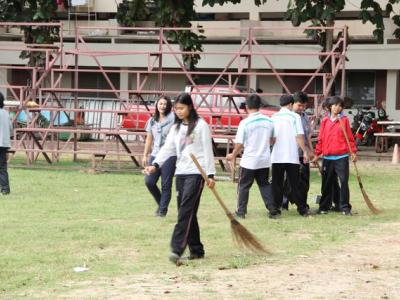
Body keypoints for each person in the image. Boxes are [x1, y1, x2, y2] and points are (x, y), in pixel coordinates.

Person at [144, 92, 216, 263]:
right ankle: (196, 250)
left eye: (181, 108)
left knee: (185, 211)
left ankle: (177, 248)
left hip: (197, 174)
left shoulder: (200, 125)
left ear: (190, 107)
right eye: (176, 109)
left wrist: (210, 175)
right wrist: (155, 165)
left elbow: (207, 150)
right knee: (187, 211)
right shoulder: (176, 128)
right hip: (181, 172)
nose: (178, 111)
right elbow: (168, 149)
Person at [226, 94, 274, 219]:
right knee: (264, 185)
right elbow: (273, 139)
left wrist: (233, 155)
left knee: (243, 186)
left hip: (249, 161)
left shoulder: (245, 123)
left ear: (246, 107)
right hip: (264, 159)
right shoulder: (269, 121)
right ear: (260, 106)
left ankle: (241, 212)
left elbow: (239, 143)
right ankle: (272, 210)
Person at [268, 94, 312, 218]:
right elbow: (299, 136)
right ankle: (302, 209)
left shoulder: (274, 117)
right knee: (295, 184)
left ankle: (275, 209)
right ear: (291, 104)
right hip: (292, 156)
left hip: (277, 156)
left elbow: (272, 138)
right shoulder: (295, 117)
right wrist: (304, 151)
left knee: (277, 184)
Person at [312, 96, 357, 216]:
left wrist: (353, 152)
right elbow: (321, 139)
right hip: (327, 158)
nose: (338, 108)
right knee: (326, 183)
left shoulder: (344, 120)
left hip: (341, 157)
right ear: (329, 107)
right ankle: (324, 207)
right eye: (335, 105)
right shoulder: (325, 121)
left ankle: (345, 207)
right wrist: (317, 154)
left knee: (343, 182)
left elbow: (350, 139)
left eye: (340, 105)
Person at [143, 96, 176, 217]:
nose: (162, 106)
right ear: (156, 105)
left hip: (169, 155)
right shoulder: (152, 120)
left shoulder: (173, 118)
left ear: (168, 106)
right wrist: (145, 154)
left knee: (166, 184)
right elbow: (149, 138)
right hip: (155, 154)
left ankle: (162, 211)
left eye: (164, 104)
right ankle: (161, 203)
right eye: (160, 104)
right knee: (149, 181)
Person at [282, 91, 313, 210]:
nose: (302, 108)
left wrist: (311, 151)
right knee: (286, 181)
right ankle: (283, 203)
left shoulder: (305, 117)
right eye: (299, 105)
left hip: (302, 155)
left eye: (304, 106)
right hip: (288, 155)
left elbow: (307, 137)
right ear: (292, 104)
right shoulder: (286, 117)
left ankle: (302, 204)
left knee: (304, 182)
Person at [0, 92, 12, 195]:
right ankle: (5, 188)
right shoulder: (6, 113)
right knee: (3, 166)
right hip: (4, 143)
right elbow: (11, 128)